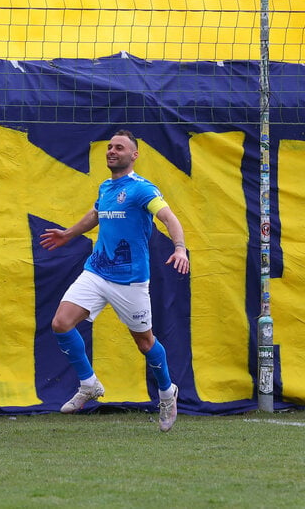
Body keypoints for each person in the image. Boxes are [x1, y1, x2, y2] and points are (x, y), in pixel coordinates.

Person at [39, 129, 190, 432]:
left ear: (134, 155)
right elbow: (96, 214)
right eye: (109, 147)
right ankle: (88, 383)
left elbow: (169, 218)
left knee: (145, 343)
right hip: (96, 272)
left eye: (119, 148)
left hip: (130, 281)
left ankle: (166, 392)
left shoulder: (141, 189)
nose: (111, 151)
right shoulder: (106, 187)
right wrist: (68, 234)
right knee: (60, 323)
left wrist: (180, 248)